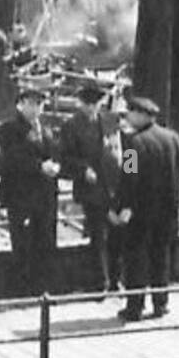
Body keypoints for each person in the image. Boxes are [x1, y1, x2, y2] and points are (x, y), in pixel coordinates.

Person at [115, 96, 179, 321]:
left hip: (140, 212)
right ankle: (160, 303)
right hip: (167, 210)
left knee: (136, 258)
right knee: (161, 256)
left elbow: (128, 179)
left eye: (130, 112)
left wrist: (122, 206)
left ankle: (134, 307)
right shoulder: (173, 138)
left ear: (140, 115)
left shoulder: (132, 143)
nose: (127, 116)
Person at [58, 82, 123, 296]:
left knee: (116, 234)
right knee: (98, 235)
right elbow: (65, 158)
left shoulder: (110, 121)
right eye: (87, 103)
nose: (91, 107)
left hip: (112, 186)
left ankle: (115, 279)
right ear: (80, 104)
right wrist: (82, 169)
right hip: (91, 188)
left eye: (95, 103)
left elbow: (120, 149)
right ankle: (100, 281)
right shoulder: (71, 126)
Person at [0, 89, 60, 295]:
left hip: (46, 196)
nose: (35, 109)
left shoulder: (47, 130)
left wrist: (56, 166)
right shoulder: (10, 129)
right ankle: (22, 287)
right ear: (20, 105)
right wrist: (39, 166)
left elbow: (56, 153)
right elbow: (13, 158)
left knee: (46, 241)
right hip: (22, 195)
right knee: (22, 241)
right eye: (31, 104)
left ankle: (43, 288)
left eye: (39, 104)